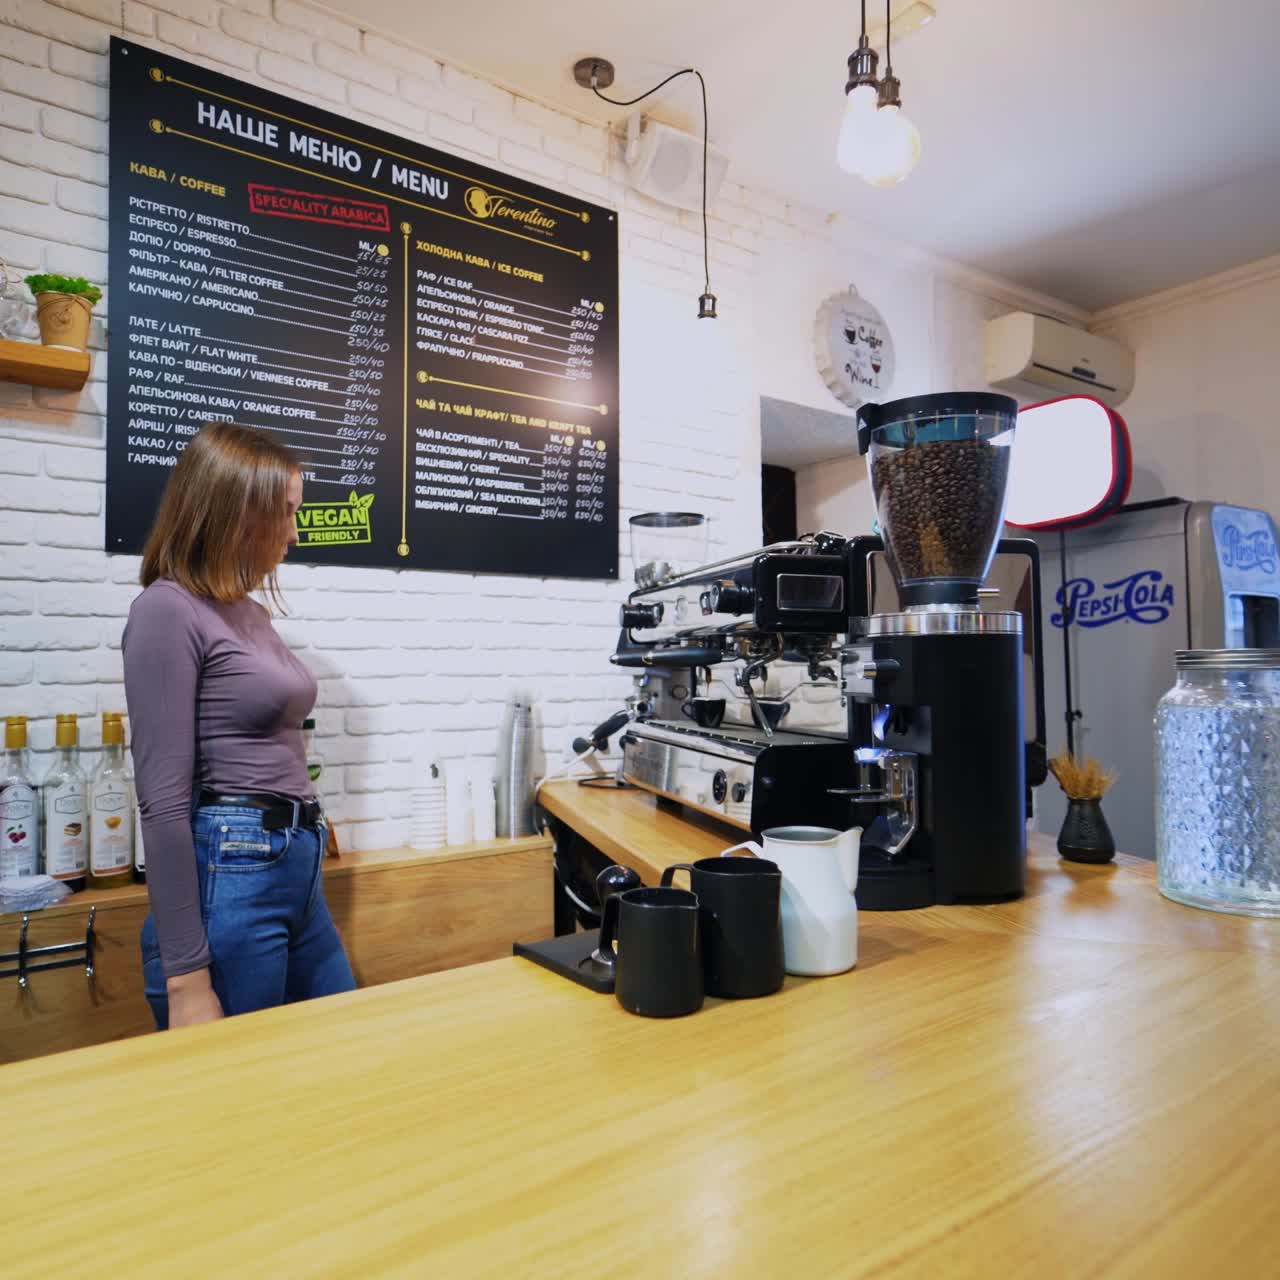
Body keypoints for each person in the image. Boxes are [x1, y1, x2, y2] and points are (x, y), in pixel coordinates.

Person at [122, 422, 355, 1029]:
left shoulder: (248, 612)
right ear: (235, 513)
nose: (295, 532)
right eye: (285, 513)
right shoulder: (166, 610)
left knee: (341, 1051)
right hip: (235, 875)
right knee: (240, 1099)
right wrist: (187, 981)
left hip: (294, 869)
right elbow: (163, 805)